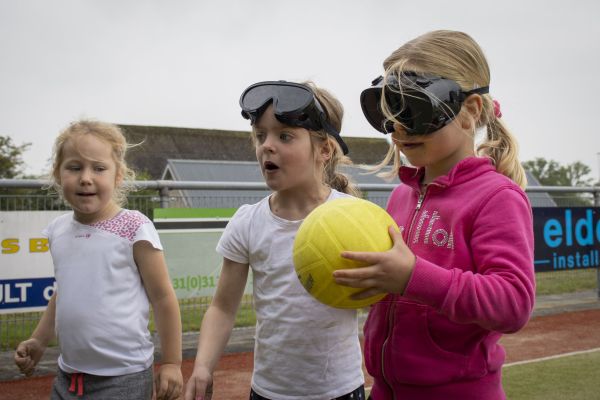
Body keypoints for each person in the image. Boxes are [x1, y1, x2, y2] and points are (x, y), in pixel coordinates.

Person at [333, 30, 535, 400]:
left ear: (470, 110)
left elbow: (513, 303)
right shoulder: (399, 197)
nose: (398, 127)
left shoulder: (497, 197)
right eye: (390, 110)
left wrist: (413, 277)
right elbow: (398, 294)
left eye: (415, 108)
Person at [184, 80, 366, 400]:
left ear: (324, 149)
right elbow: (223, 308)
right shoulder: (248, 222)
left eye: (284, 136)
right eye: (260, 135)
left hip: (340, 390)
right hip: (269, 392)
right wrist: (202, 366)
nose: (267, 145)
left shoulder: (352, 216)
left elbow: (380, 295)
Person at [14, 120, 183, 400]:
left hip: (124, 378)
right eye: (74, 167)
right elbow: (63, 292)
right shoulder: (57, 230)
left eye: (99, 168)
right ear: (58, 174)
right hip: (67, 376)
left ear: (118, 176)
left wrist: (172, 363)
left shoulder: (134, 227)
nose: (86, 178)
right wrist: (38, 340)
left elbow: (164, 298)